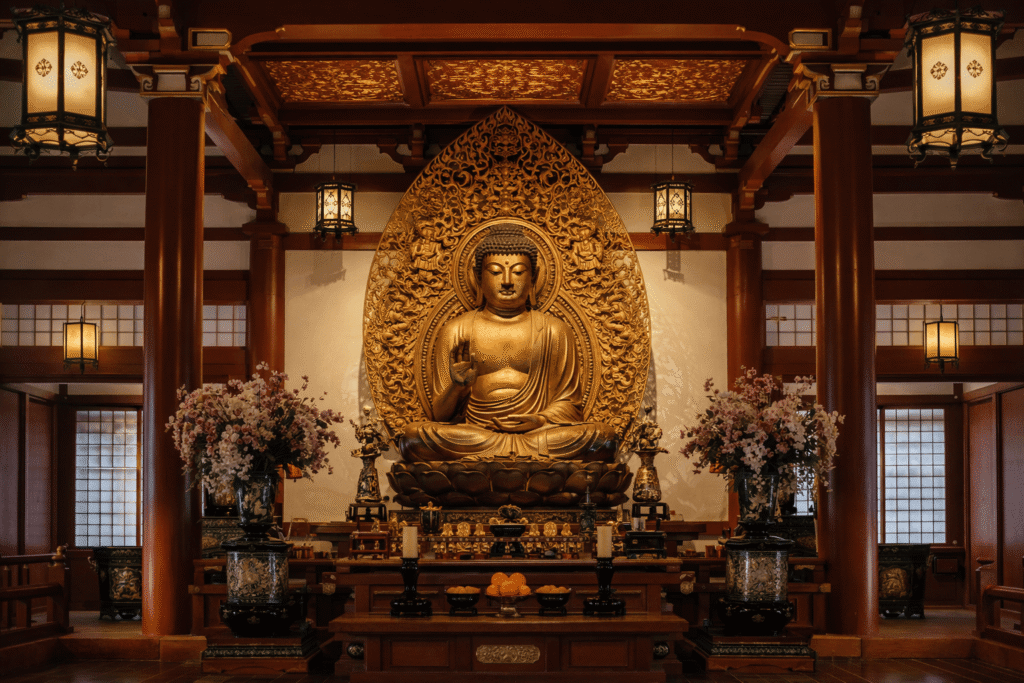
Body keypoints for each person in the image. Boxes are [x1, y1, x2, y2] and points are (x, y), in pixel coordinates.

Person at [400, 224, 616, 462]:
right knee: (415, 438)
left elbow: (571, 407)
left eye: (518, 272)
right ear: (478, 278)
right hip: (476, 434)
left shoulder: (555, 331)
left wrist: (541, 420)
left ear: (533, 278)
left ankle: (499, 460)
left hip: (537, 435)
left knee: (601, 438)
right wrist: (456, 386)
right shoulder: (456, 330)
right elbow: (439, 414)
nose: (506, 281)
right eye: (494, 272)